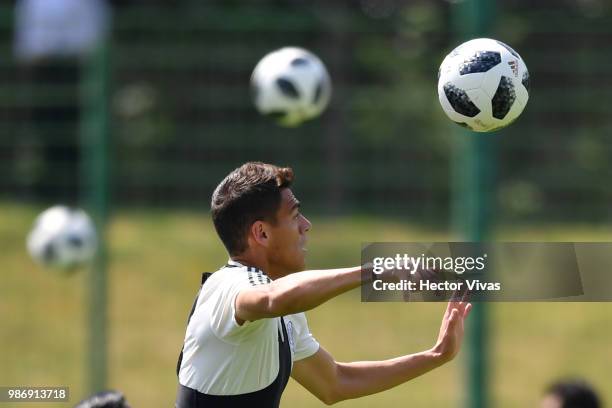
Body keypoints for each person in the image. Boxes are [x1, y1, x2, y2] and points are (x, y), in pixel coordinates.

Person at [176, 162, 472, 407]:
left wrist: (436, 355)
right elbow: (270, 299)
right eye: (294, 216)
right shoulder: (229, 285)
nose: (306, 225)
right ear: (262, 234)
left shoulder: (284, 308)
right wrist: (376, 271)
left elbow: (335, 383)